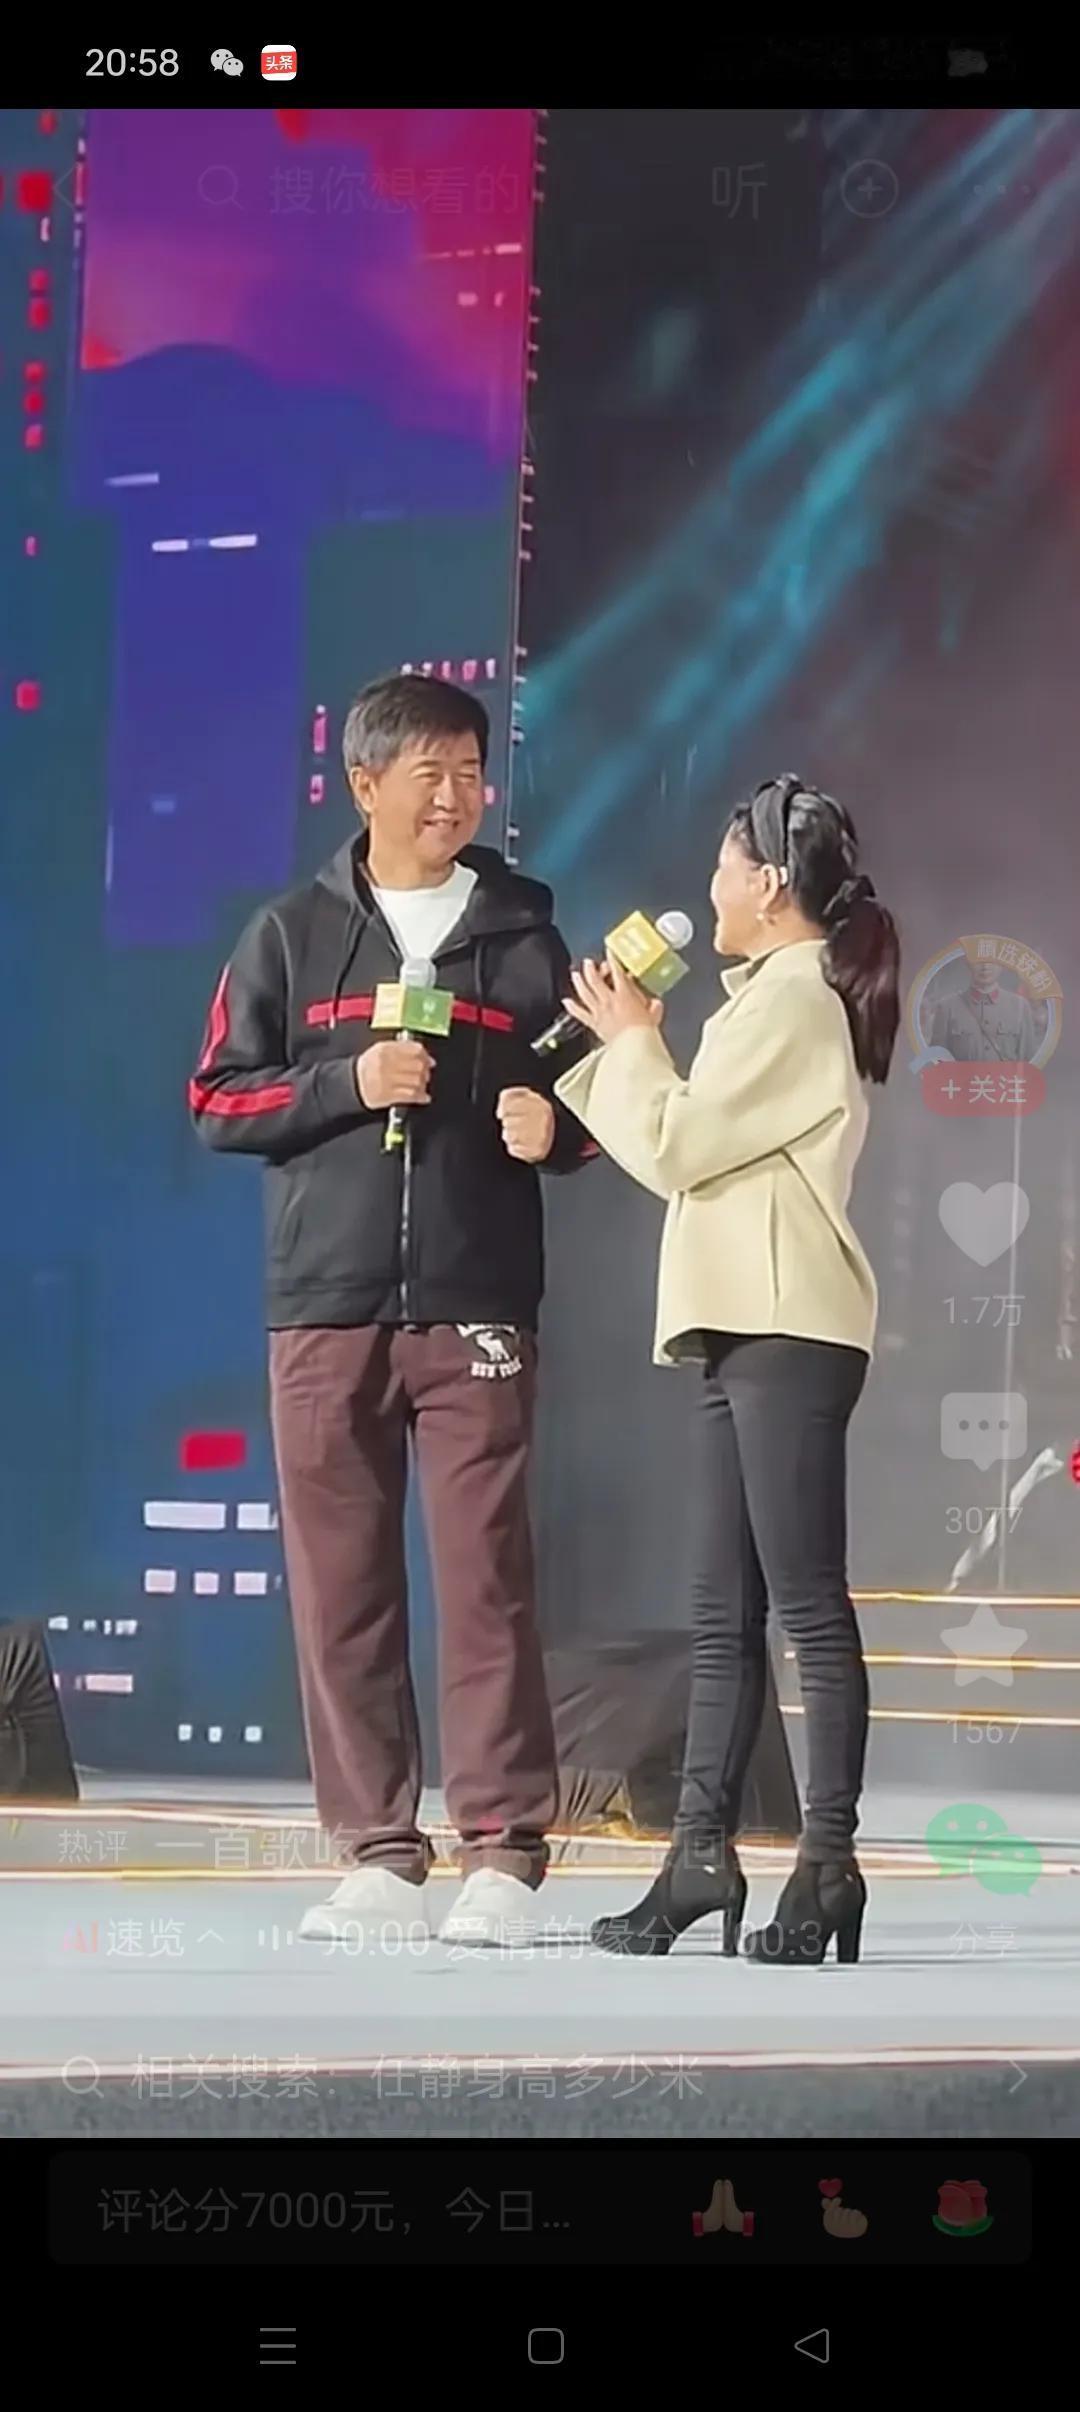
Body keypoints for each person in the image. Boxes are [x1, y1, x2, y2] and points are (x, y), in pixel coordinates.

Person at [190, 673, 594, 1944]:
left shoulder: (524, 932)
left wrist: (558, 1131)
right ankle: (375, 1851)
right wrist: (347, 1081)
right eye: (430, 773)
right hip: (324, 1309)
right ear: (363, 784)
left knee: (488, 1580)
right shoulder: (289, 933)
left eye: (471, 772)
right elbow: (218, 1099)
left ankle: (503, 1853)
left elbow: (597, 1084)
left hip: (477, 1301)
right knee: (342, 1590)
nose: (456, 796)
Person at [556, 774, 900, 1965]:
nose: (708, 888)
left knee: (806, 1604)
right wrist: (630, 1051)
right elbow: (680, 1142)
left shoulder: (794, 998)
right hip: (735, 1318)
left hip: (785, 1321)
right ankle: (698, 1856)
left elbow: (681, 1143)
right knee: (723, 1615)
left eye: (722, 866)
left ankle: (829, 1865)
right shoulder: (768, 997)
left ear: (767, 882)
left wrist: (632, 1042)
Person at [929, 953, 1039, 1063]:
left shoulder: (1020, 1006)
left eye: (991, 961)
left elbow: (1028, 1060)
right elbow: (938, 1061)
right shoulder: (947, 1007)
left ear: (1002, 965)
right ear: (967, 962)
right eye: (978, 960)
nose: (985, 967)